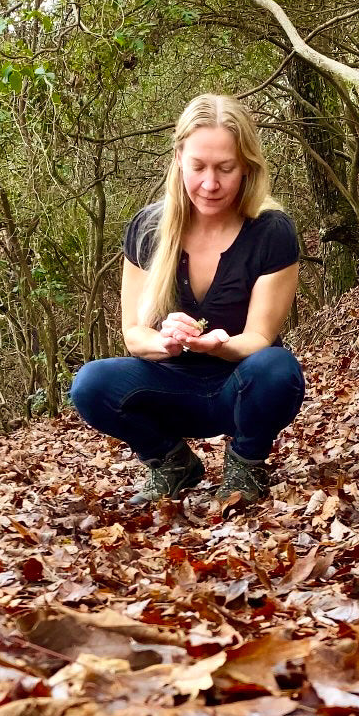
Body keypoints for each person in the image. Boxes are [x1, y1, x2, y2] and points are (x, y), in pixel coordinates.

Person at [70, 94, 305, 505]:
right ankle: (172, 463)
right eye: (198, 167)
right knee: (91, 383)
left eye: (225, 168)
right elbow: (133, 334)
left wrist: (219, 344)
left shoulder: (272, 232)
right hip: (170, 388)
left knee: (277, 368)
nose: (210, 183)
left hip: (239, 387)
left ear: (246, 166)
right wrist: (167, 342)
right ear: (179, 158)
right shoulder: (147, 229)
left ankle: (245, 464)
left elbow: (259, 337)